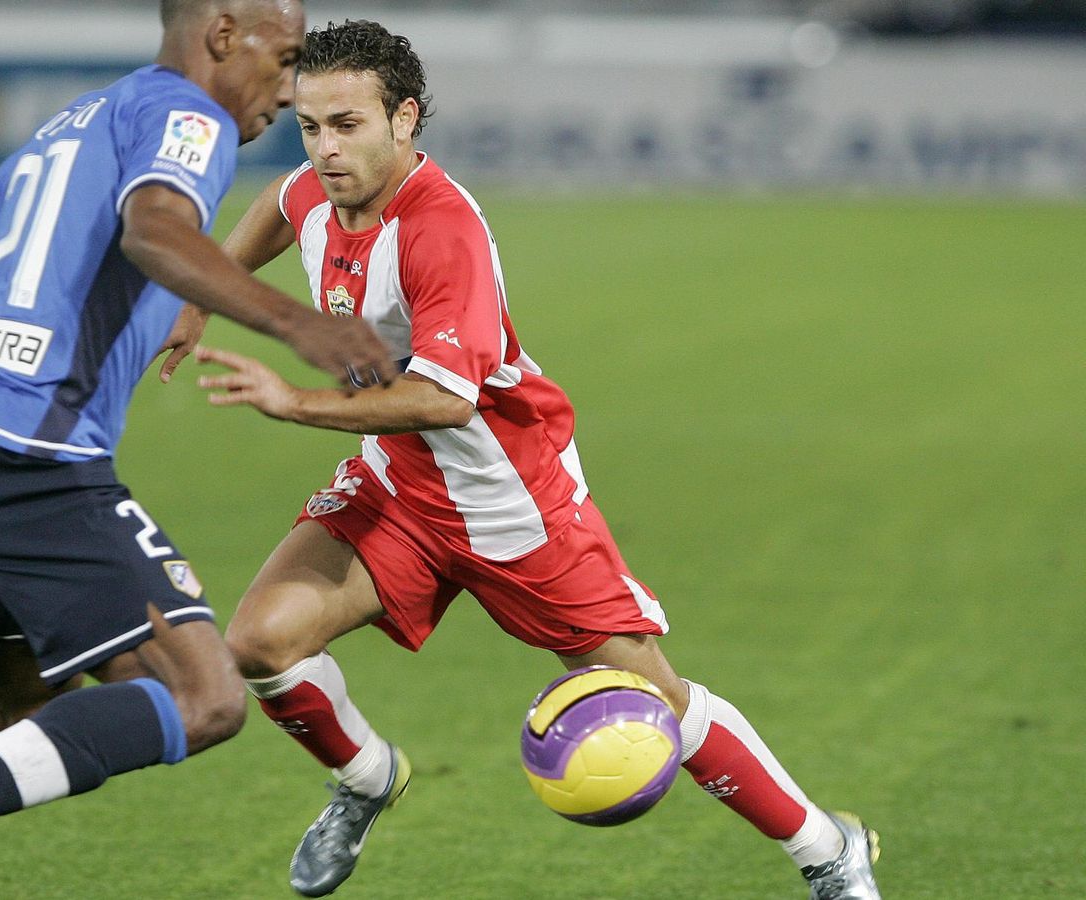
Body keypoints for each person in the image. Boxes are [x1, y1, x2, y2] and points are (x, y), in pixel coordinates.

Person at [179, 19, 882, 900]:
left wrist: (293, 402)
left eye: (347, 126)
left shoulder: (441, 229)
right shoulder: (320, 189)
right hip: (397, 485)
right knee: (260, 643)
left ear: (405, 119)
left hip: (510, 502)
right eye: (311, 125)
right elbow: (280, 206)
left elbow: (447, 400)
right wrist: (201, 295)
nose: (324, 149)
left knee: (655, 700)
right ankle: (366, 780)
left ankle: (828, 851)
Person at [0, 3, 398, 899]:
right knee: (204, 697)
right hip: (33, 456)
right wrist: (299, 324)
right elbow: (154, 231)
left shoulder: (73, 127)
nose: (287, 91)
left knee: (24, 704)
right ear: (222, 34)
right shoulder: (190, 118)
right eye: (283, 57)